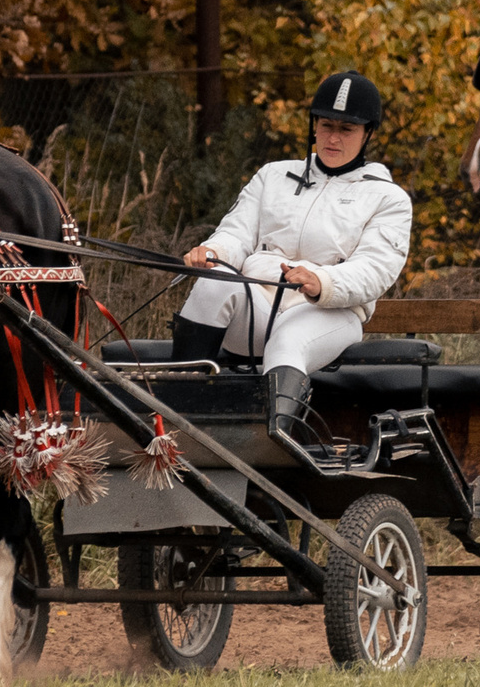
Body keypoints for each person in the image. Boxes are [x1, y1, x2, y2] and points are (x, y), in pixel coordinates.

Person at [172, 70, 415, 443]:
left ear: (367, 133)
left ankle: (268, 444)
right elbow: (237, 232)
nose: (333, 138)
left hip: (329, 313)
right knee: (213, 283)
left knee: (288, 339)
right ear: (314, 125)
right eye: (326, 125)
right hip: (259, 305)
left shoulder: (389, 198)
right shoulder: (272, 175)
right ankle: (173, 418)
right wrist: (213, 252)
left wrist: (322, 281)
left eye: (347, 129)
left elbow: (375, 269)